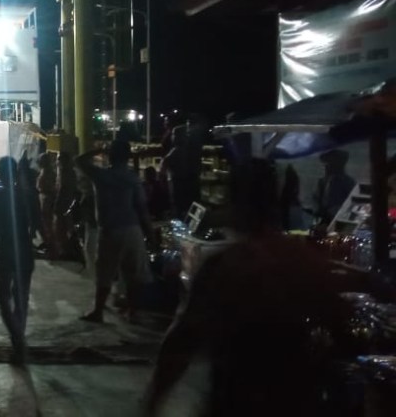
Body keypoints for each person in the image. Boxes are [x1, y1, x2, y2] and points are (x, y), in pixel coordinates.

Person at [143, 159, 347, 416]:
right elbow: (340, 330)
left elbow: (183, 340)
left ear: (237, 203)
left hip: (236, 402)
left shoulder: (226, 266)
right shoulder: (306, 262)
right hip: (297, 402)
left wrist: (154, 399)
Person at [76, 140, 154, 323]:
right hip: (132, 228)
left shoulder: (102, 175)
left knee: (105, 272)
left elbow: (79, 161)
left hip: (110, 230)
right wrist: (150, 233)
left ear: (110, 155)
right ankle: (133, 311)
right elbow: (142, 208)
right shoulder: (132, 177)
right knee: (132, 273)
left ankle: (98, 311)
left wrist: (99, 150)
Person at [0, 156, 34, 364]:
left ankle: (17, 339)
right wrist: (52, 244)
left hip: (4, 251)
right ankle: (18, 338)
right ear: (16, 173)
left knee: (3, 297)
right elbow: (39, 224)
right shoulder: (29, 197)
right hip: (24, 250)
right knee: (21, 297)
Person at [313, 149, 355, 224]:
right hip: (324, 218)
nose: (325, 167)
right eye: (325, 164)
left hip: (339, 218)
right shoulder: (322, 182)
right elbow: (317, 199)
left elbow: (352, 203)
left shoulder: (347, 182)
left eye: (329, 164)